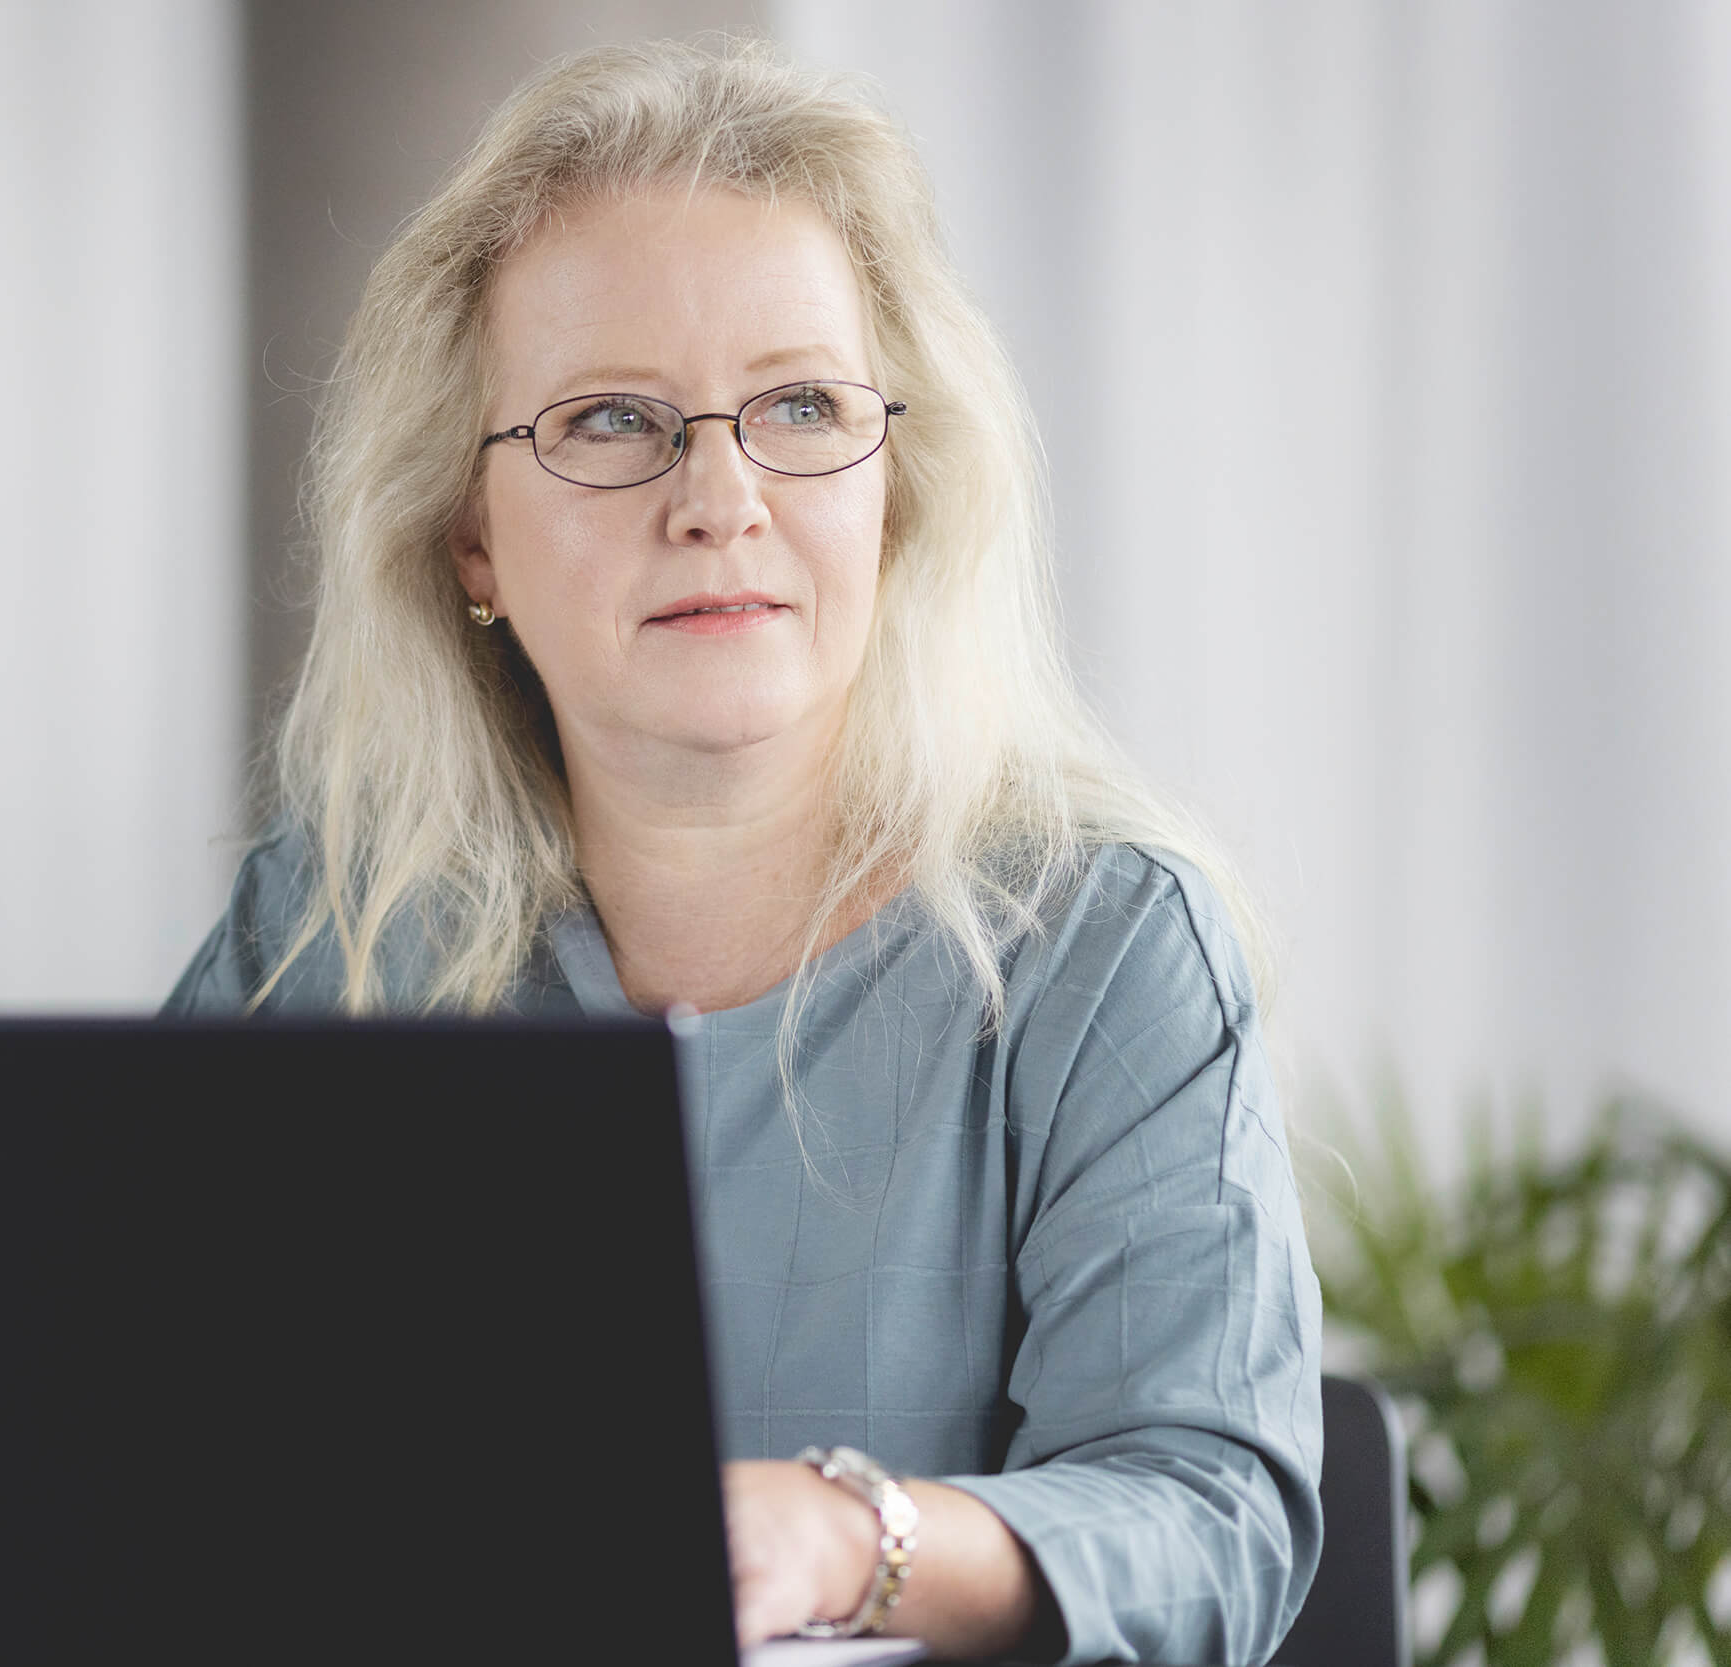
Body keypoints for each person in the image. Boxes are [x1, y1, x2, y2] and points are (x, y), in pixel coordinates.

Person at [165, 36, 1321, 1665]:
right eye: (615, 419)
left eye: (799, 406)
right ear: (470, 537)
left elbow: (1217, 1520)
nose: (721, 494)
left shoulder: (1112, 944)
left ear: (895, 493)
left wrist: (853, 1538)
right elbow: (123, 1443)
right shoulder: (326, 928)